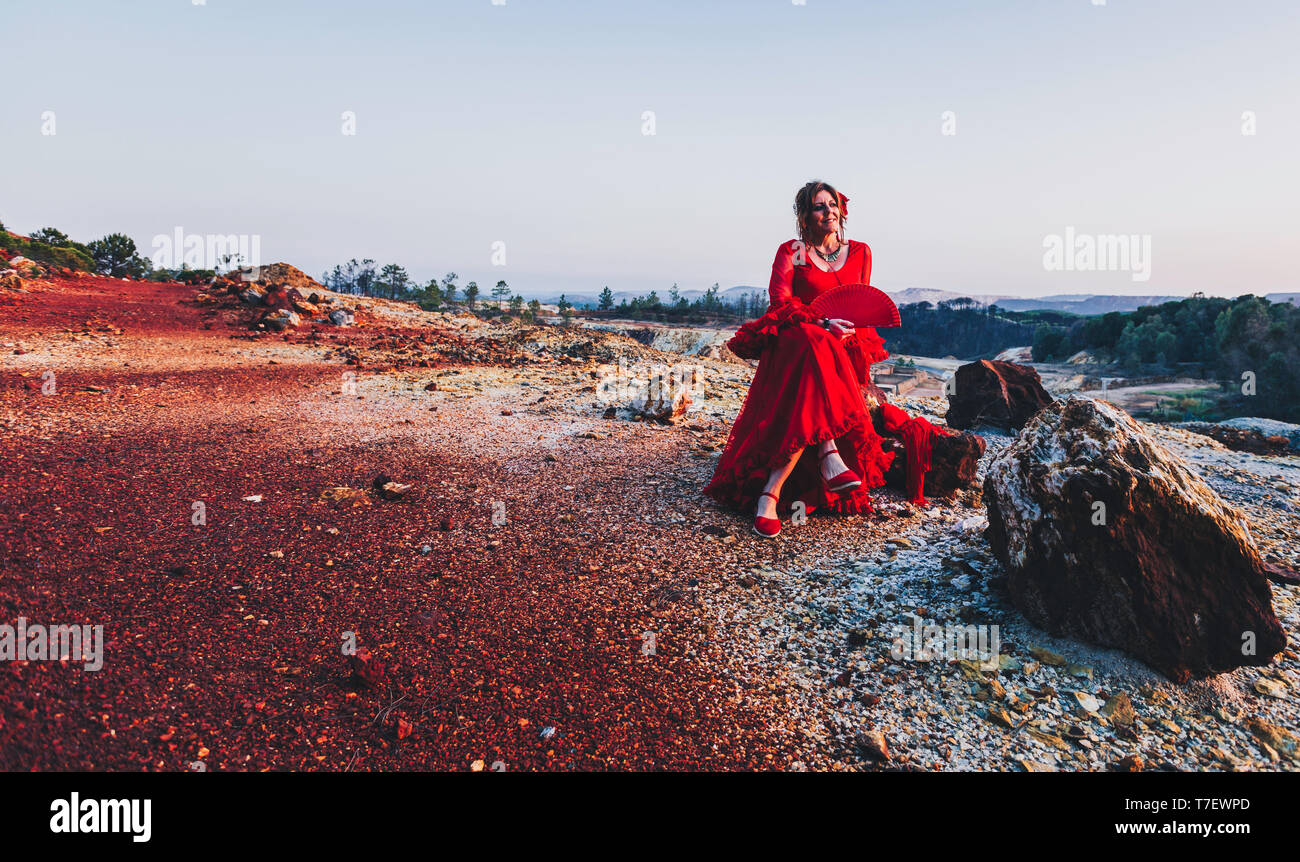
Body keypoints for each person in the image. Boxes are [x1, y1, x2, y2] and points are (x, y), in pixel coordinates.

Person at [703, 180, 899, 537]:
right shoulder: (792, 251)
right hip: (796, 340)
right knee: (813, 340)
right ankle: (828, 456)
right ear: (805, 216)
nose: (829, 212)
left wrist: (849, 329)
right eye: (819, 207)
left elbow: (861, 303)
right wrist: (822, 322)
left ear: (842, 210)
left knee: (821, 351)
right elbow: (781, 302)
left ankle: (771, 494)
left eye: (833, 204)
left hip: (840, 348)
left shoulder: (861, 252)